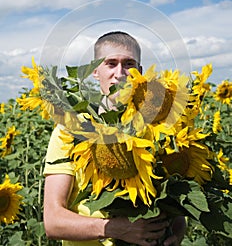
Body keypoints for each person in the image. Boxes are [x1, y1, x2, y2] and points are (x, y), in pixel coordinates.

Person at [43, 31, 186, 246]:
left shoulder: (159, 129)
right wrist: (117, 229)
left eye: (128, 64)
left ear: (139, 72)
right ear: (95, 70)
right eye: (111, 63)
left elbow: (174, 207)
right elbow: (53, 222)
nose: (120, 73)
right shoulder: (72, 129)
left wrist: (176, 234)